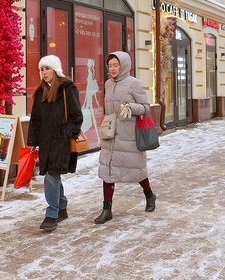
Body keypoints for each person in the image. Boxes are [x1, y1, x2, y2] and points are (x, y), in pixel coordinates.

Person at [94, 51, 156, 224]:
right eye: (110, 65)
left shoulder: (134, 83)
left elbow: (146, 108)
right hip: (110, 133)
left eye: (116, 65)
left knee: (136, 169)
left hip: (129, 136)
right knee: (108, 170)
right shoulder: (107, 84)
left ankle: (149, 195)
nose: (113, 69)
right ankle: (107, 209)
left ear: (124, 65)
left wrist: (131, 107)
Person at [27, 55, 83, 231]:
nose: (44, 73)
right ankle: (62, 205)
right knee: (54, 174)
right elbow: (36, 120)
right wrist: (33, 142)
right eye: (42, 69)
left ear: (55, 70)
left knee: (51, 175)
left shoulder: (67, 88)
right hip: (46, 142)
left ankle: (52, 213)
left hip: (61, 142)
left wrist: (66, 133)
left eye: (47, 68)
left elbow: (77, 116)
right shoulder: (40, 92)